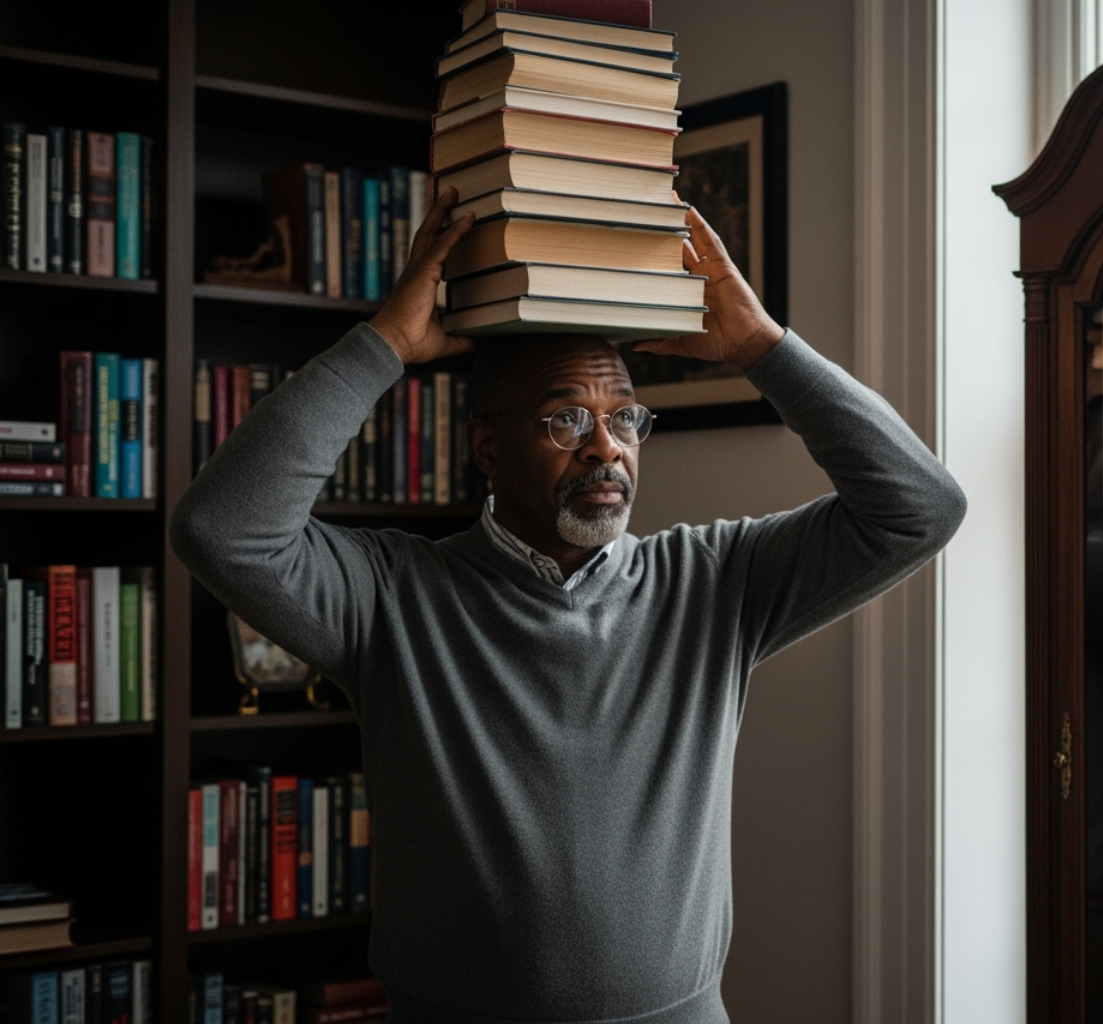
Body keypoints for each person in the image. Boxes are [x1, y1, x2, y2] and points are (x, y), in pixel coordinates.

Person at [170, 187, 966, 1024]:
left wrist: (762, 348)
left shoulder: (714, 581)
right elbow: (223, 530)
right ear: (486, 447)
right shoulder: (392, 595)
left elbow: (921, 508)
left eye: (625, 417)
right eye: (566, 419)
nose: (606, 446)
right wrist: (385, 345)